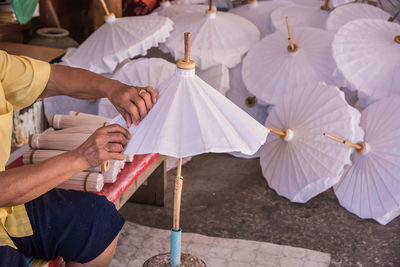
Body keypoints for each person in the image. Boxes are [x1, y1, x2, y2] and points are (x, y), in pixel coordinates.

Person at [0, 50, 157, 267]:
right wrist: (80, 157)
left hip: (5, 213)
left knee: (97, 221)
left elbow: (52, 79)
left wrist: (113, 88)